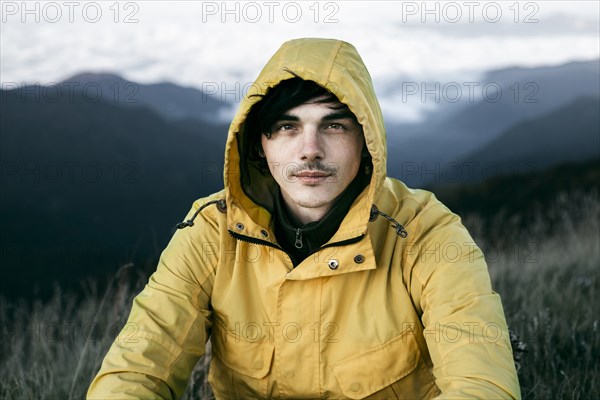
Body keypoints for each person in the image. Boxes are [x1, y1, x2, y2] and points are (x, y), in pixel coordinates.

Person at [88, 38, 521, 399]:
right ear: (260, 144)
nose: (310, 149)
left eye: (334, 126)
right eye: (288, 127)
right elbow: (139, 365)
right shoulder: (211, 231)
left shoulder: (425, 233)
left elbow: (481, 383)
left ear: (366, 141)